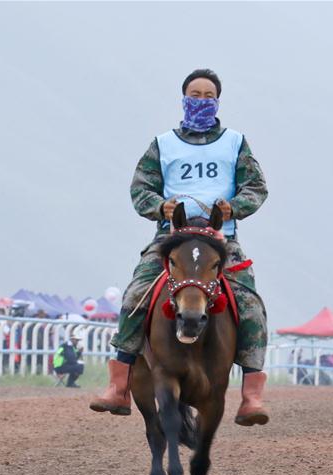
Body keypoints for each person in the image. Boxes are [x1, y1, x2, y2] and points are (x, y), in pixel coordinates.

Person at [89, 69, 270, 425]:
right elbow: (141, 188)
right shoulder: (162, 144)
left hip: (221, 239)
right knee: (135, 295)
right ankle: (119, 385)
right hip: (172, 237)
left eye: (208, 95)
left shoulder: (236, 142)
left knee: (250, 305)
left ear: (217, 101)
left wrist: (234, 206)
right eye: (194, 94)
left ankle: (251, 395)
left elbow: (256, 187)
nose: (201, 100)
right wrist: (160, 207)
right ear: (183, 98)